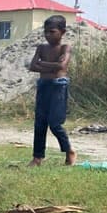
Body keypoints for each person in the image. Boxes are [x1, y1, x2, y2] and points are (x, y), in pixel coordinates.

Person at [27, 15, 76, 166]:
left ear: (62, 32)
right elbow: (33, 66)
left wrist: (43, 63)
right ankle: (37, 157)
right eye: (46, 32)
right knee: (40, 123)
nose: (48, 35)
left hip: (58, 86)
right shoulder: (41, 48)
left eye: (52, 32)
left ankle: (69, 150)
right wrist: (53, 64)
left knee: (55, 123)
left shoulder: (65, 48)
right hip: (43, 85)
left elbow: (61, 67)